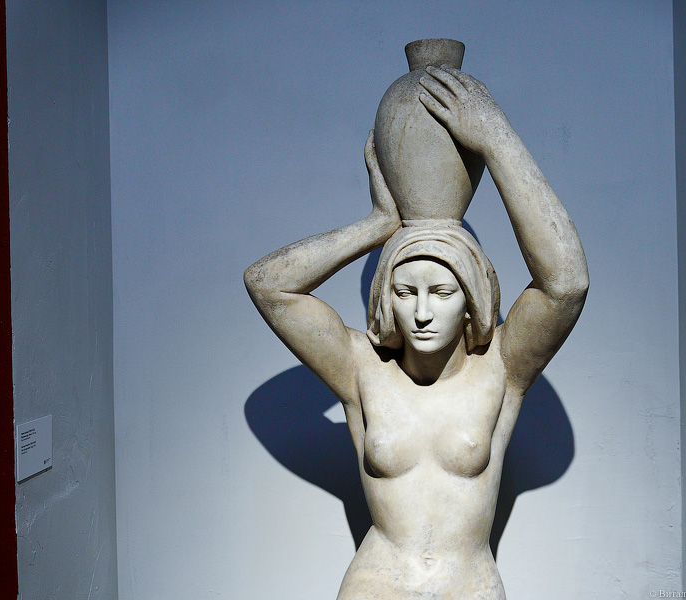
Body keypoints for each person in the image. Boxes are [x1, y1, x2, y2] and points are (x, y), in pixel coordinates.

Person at [245, 65, 588, 600]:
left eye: (442, 292)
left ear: (472, 300)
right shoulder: (361, 368)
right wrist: (379, 226)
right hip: (376, 584)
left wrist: (497, 140)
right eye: (406, 293)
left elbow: (566, 284)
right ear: (387, 301)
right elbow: (268, 285)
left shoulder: (502, 365)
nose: (422, 312)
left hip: (469, 585)